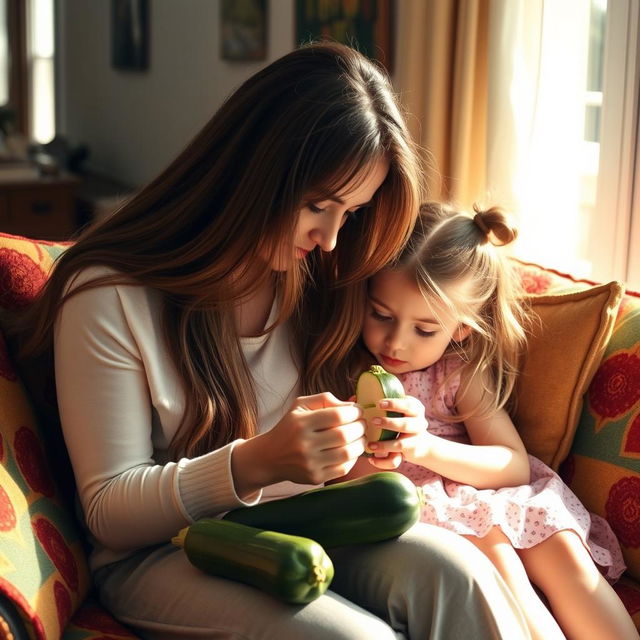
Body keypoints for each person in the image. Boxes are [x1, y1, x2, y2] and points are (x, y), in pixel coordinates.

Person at [19, 44, 533, 639]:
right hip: (165, 551)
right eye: (318, 204)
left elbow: (439, 301)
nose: (332, 237)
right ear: (251, 169)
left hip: (305, 520)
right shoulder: (108, 293)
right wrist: (255, 460)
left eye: (352, 212)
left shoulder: (321, 276)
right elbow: (108, 511)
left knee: (462, 572)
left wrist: (382, 439)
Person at [347, 201, 638, 640]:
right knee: (497, 557)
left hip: (494, 493)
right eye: (381, 315)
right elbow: (339, 480)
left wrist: (424, 446)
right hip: (426, 510)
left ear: (461, 329)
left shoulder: (458, 374)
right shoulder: (344, 371)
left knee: (564, 553)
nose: (395, 341)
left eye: (425, 329)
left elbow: (513, 465)